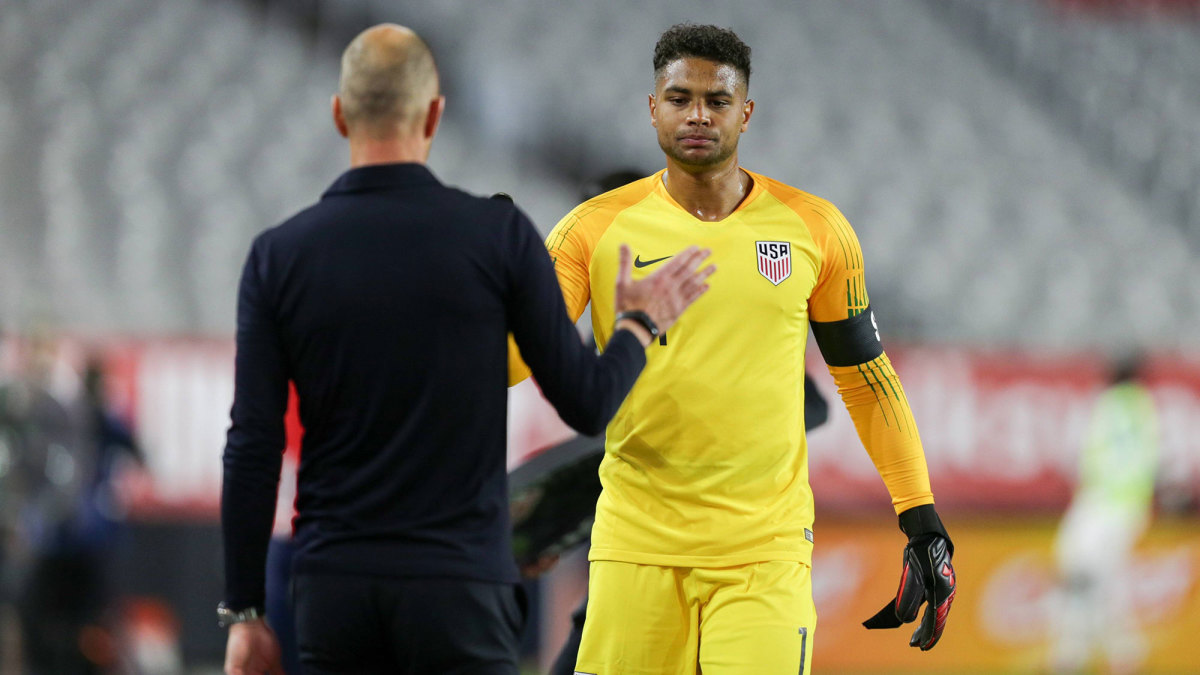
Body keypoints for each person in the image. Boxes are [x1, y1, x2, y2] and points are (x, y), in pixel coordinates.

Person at [219, 23, 714, 675]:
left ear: (340, 116)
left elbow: (251, 445)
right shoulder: (498, 237)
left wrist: (245, 612)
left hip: (334, 585)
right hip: (460, 590)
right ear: (434, 114)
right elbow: (589, 402)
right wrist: (638, 325)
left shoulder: (277, 257)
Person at [508, 24, 955, 674]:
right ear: (652, 107)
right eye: (679, 96)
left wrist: (922, 520)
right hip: (636, 548)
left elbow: (867, 380)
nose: (697, 114)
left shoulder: (814, 230)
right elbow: (521, 357)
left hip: (762, 555)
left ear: (745, 113)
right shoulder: (592, 229)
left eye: (716, 101)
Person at [1050, 355, 1159, 675]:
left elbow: (1091, 454)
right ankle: (1119, 653)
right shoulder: (1144, 406)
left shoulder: (1111, 403)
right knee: (1102, 580)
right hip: (1128, 506)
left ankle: (1074, 656)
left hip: (1102, 502)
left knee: (1077, 572)